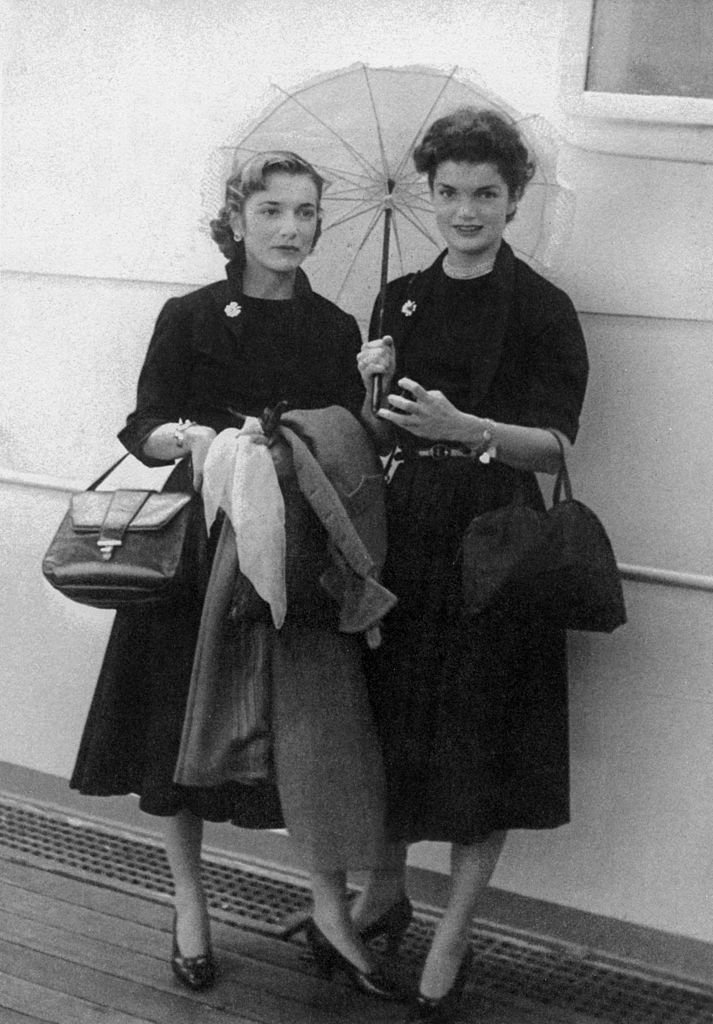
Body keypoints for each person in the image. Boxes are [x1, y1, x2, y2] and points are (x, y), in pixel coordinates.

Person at [70, 150, 401, 1000]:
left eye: (304, 213)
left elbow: (353, 450)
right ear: (238, 219)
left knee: (305, 729)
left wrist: (368, 397)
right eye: (272, 212)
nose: (290, 228)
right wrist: (190, 441)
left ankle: (329, 907)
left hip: (289, 552)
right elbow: (141, 424)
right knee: (173, 727)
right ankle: (189, 905)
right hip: (197, 544)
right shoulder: (189, 316)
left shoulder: (334, 329)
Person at [355, 108, 589, 1022]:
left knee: (480, 738)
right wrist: (370, 380)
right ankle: (383, 891)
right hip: (405, 528)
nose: (464, 211)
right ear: (429, 193)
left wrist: (469, 429)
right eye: (448, 193)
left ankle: (451, 938)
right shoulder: (398, 298)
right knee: (385, 718)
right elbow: (383, 433)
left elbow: (555, 449)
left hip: (495, 538)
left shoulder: (542, 307)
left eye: (484, 194)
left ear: (513, 197)